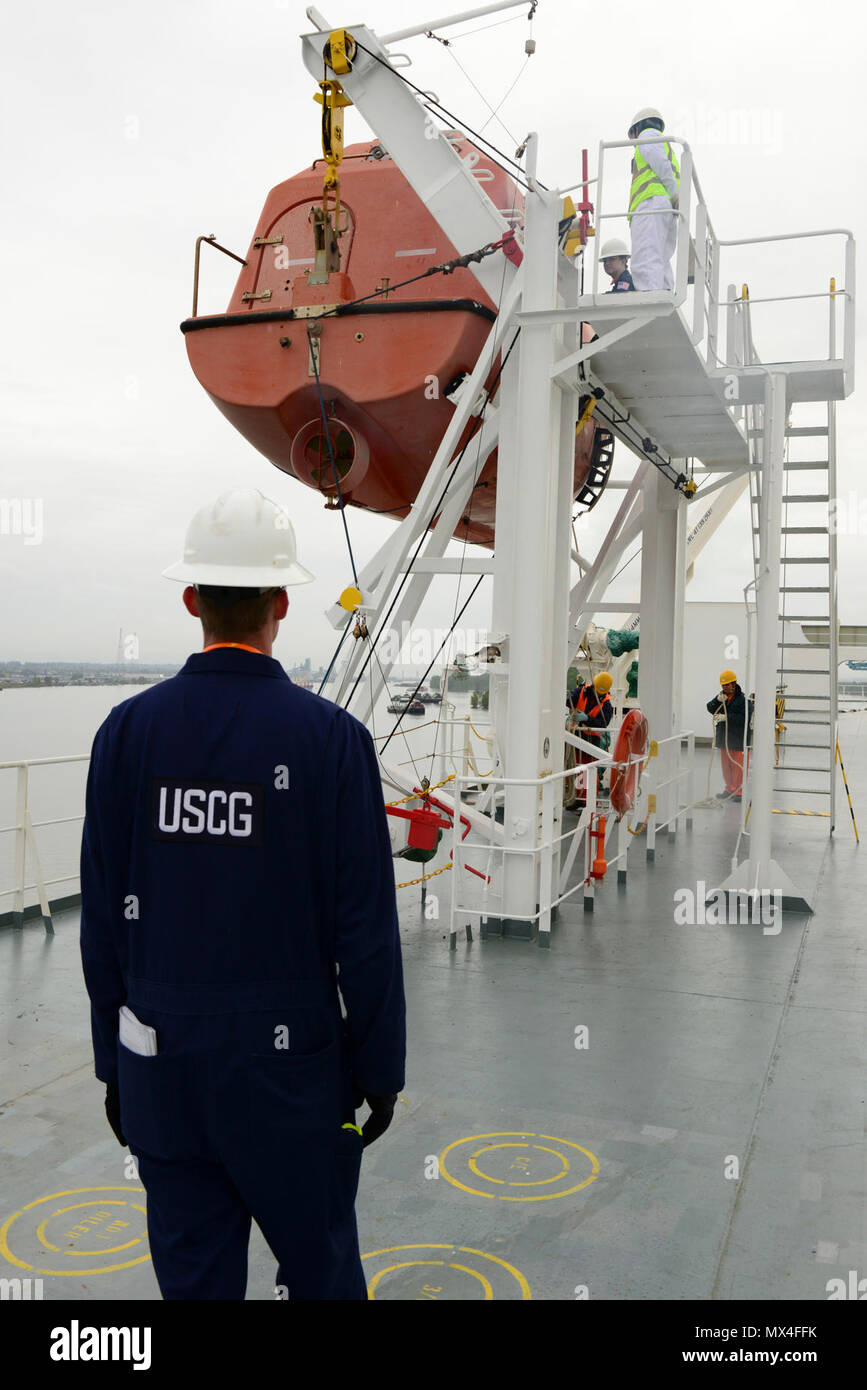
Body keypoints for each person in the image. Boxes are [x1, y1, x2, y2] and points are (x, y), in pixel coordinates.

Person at [79, 488, 406, 1301]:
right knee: (322, 1275)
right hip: (291, 1073)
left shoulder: (125, 734)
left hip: (163, 1066)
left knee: (193, 1284)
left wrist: (112, 1065)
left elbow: (102, 922)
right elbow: (364, 931)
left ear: (191, 599)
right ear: (283, 604)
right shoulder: (332, 743)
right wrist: (380, 1071)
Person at [627, 107, 680, 291]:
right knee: (661, 258)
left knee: (646, 256)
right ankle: (664, 292)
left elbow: (659, 163)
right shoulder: (666, 146)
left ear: (636, 129)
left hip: (650, 204)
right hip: (665, 207)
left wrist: (674, 193)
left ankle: (648, 296)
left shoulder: (648, 136)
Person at [564, 672, 614, 808]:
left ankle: (588, 801)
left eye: (601, 693)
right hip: (575, 737)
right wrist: (567, 698)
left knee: (589, 770)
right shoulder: (581, 691)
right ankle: (574, 799)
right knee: (574, 768)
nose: (599, 695)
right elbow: (570, 700)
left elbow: (603, 723)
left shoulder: (606, 704)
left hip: (591, 741)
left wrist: (587, 719)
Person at [707, 669, 753, 801]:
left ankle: (739, 792)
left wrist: (726, 717)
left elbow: (744, 718)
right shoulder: (722, 698)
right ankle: (729, 789)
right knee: (726, 768)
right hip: (724, 740)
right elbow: (710, 707)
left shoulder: (744, 701)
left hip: (738, 741)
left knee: (738, 768)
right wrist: (717, 700)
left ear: (734, 684)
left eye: (727, 685)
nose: (725, 688)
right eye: (723, 685)